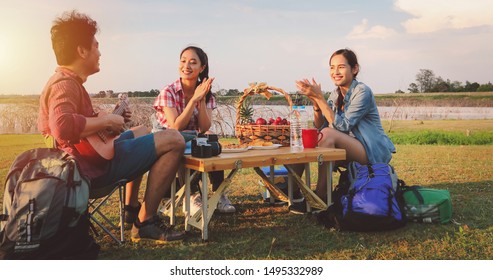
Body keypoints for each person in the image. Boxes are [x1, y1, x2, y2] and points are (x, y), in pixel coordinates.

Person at [38, 10, 186, 243]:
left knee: (142, 131)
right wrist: (107, 120)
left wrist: (113, 120)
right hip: (88, 172)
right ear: (81, 50)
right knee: (174, 139)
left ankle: (130, 209)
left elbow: (84, 135)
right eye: (96, 46)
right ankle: (144, 222)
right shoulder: (64, 84)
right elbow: (62, 127)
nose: (99, 52)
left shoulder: (67, 82)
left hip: (88, 161)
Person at [289, 48, 396, 214]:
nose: (335, 72)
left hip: (371, 151)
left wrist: (320, 98)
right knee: (307, 137)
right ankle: (293, 193)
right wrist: (317, 105)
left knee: (329, 134)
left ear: (354, 69)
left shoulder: (362, 92)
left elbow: (343, 126)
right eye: (332, 67)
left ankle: (321, 198)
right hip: (350, 147)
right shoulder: (335, 94)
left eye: (341, 67)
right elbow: (320, 127)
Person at [153, 46, 236, 214]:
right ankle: (190, 196)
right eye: (183, 61)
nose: (186, 66)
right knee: (181, 143)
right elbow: (176, 127)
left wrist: (202, 100)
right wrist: (193, 102)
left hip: (190, 137)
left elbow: (204, 127)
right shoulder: (168, 92)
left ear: (202, 68)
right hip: (166, 138)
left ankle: (219, 194)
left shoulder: (205, 93)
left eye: (192, 62)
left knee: (211, 140)